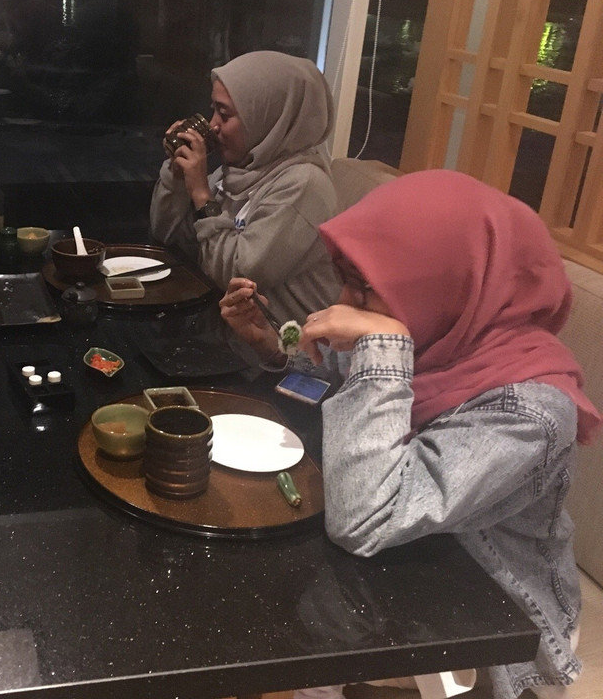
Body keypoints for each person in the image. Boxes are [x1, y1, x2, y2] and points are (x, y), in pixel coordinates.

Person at [219, 170, 601, 699]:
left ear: (447, 283)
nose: (345, 300)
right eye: (343, 279)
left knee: (271, 638)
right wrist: (269, 344)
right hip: (401, 568)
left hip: (488, 626)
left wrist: (383, 346)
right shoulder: (440, 331)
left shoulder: (531, 412)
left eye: (365, 288)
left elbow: (366, 518)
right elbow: (339, 383)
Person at [149, 50, 341, 323]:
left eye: (224, 114)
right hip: (224, 324)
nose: (212, 125)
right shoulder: (238, 171)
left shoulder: (304, 186)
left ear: (266, 117)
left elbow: (238, 278)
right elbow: (168, 236)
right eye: (213, 109)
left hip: (283, 342)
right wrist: (178, 176)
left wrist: (202, 195)